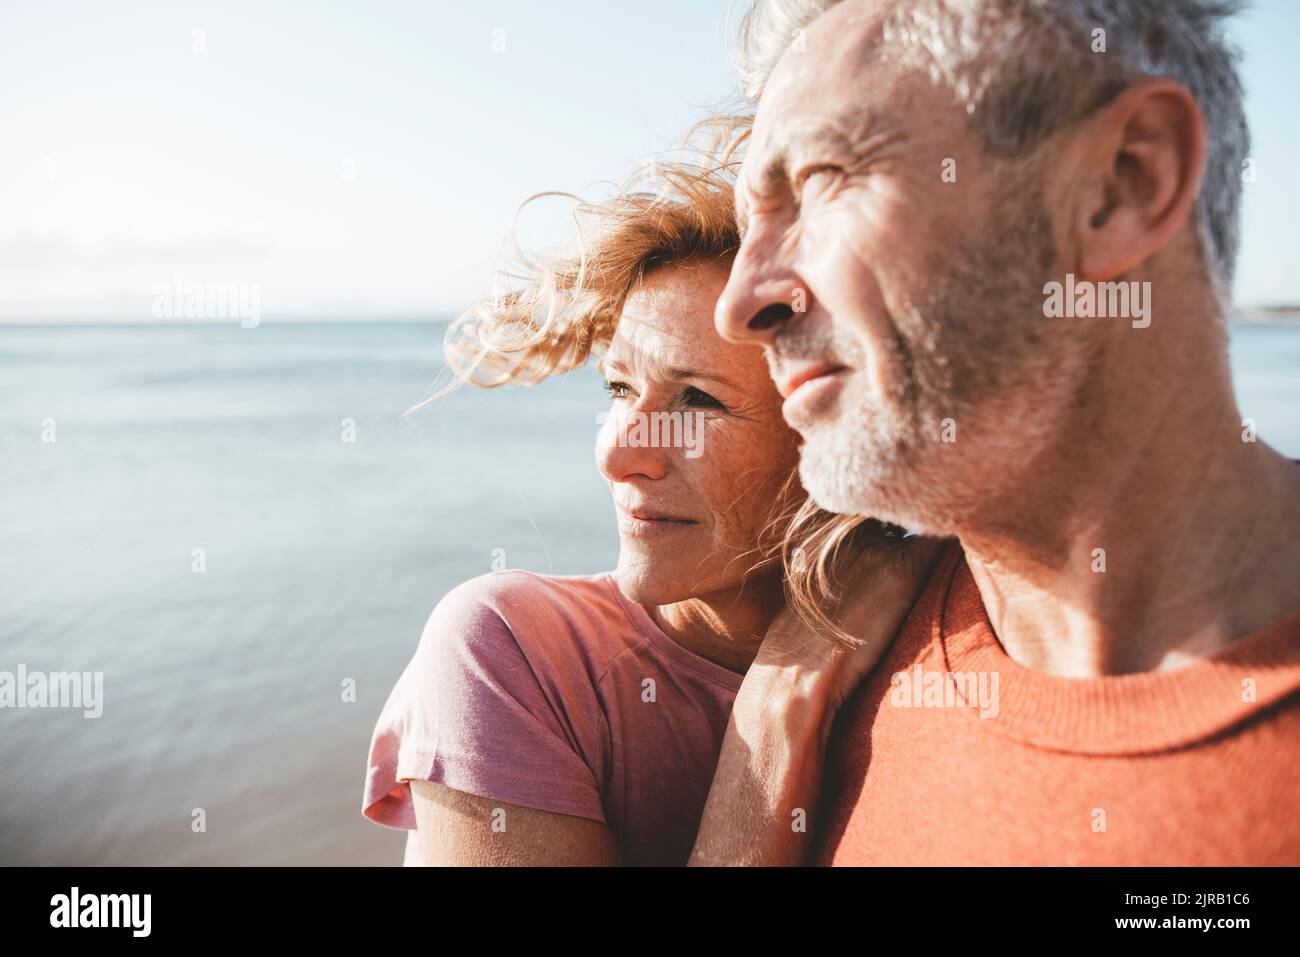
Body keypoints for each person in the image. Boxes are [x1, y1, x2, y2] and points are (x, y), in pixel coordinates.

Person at [702, 0, 1300, 864]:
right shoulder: (828, 663)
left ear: (1121, 185)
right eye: (750, 220)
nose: (741, 304)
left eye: (825, 178)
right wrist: (765, 729)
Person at [360, 152, 940, 865]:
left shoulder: (942, 637)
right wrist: (780, 699)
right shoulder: (510, 652)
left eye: (695, 400)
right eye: (618, 390)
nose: (617, 453)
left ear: (836, 427)